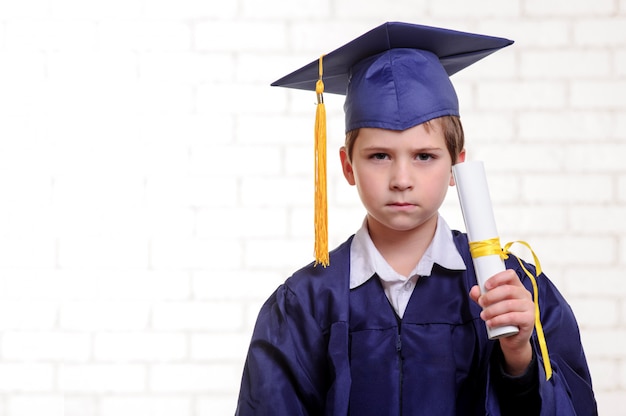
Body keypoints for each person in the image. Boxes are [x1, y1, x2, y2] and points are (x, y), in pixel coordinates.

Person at [235, 22, 597, 415]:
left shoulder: (512, 290)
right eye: (379, 156)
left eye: (424, 156)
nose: (402, 180)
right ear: (347, 165)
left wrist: (518, 357)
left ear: (457, 164)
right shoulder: (305, 303)